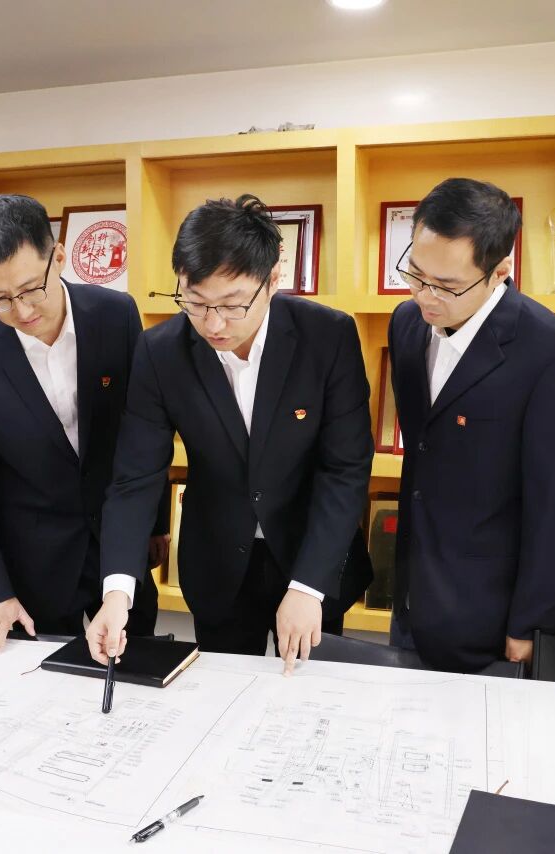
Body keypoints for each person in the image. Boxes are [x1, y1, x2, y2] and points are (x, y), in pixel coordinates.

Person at [85, 194, 374, 674]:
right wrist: (117, 593)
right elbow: (135, 477)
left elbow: (344, 469)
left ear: (273, 279)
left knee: (310, 693)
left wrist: (308, 586)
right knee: (222, 695)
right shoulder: (160, 352)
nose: (213, 324)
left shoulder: (328, 337)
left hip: (312, 554)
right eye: (195, 303)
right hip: (218, 562)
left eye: (233, 305)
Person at [387, 178, 555, 672]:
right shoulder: (406, 324)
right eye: (415, 273)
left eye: (447, 285)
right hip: (413, 593)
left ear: (500, 271)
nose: (425, 295)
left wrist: (532, 624)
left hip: (493, 616)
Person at [0, 194, 163, 657]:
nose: (21, 311)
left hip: (119, 543)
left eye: (30, 289)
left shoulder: (115, 315)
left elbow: (143, 431)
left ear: (58, 256)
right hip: (33, 561)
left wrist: (154, 525)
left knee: (136, 667)